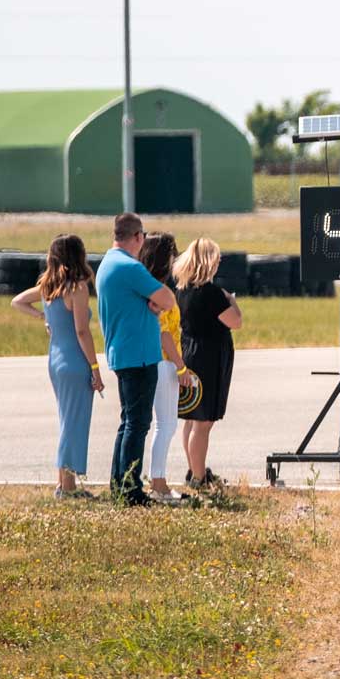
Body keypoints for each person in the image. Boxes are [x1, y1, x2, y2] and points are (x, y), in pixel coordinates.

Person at [11, 235, 105, 499]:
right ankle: (67, 487)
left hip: (56, 359)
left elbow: (17, 301)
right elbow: (82, 331)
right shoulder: (77, 288)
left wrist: (43, 316)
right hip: (75, 360)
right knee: (74, 421)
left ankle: (64, 483)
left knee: (68, 420)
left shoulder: (47, 286)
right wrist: (95, 366)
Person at [96, 212, 176, 506]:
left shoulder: (107, 263)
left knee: (127, 422)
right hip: (139, 354)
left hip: (121, 350)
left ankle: (119, 483)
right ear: (138, 237)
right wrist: (154, 303)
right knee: (138, 424)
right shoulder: (130, 267)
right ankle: (131, 489)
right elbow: (167, 299)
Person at [173, 236, 241, 489]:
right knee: (204, 422)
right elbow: (235, 321)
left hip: (190, 353)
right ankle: (200, 478)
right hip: (210, 356)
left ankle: (195, 469)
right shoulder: (212, 293)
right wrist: (231, 300)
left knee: (192, 418)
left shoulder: (182, 290)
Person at [138, 232, 195, 503]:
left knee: (165, 425)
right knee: (166, 425)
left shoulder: (149, 287)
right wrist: (181, 367)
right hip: (164, 362)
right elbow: (165, 334)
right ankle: (158, 483)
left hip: (160, 362)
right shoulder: (159, 291)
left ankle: (157, 479)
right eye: (172, 255)